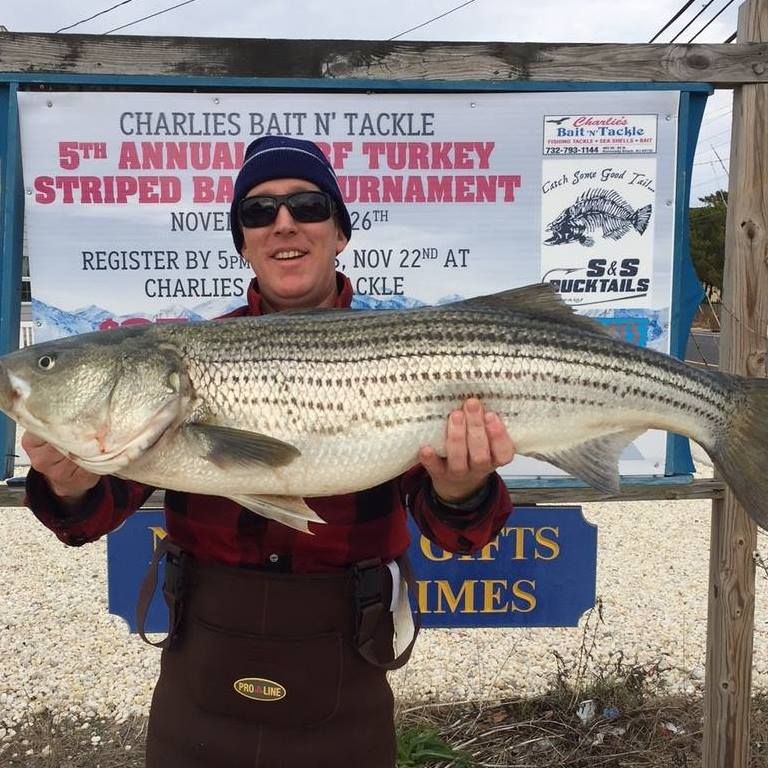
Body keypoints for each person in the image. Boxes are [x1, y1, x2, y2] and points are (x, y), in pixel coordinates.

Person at [22, 135, 515, 768]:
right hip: (202, 664)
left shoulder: (410, 348)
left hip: (345, 667)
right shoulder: (182, 355)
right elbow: (93, 515)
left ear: (339, 233)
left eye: (308, 206)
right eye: (258, 213)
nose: (284, 224)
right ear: (243, 244)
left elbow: (459, 535)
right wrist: (69, 486)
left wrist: (461, 489)